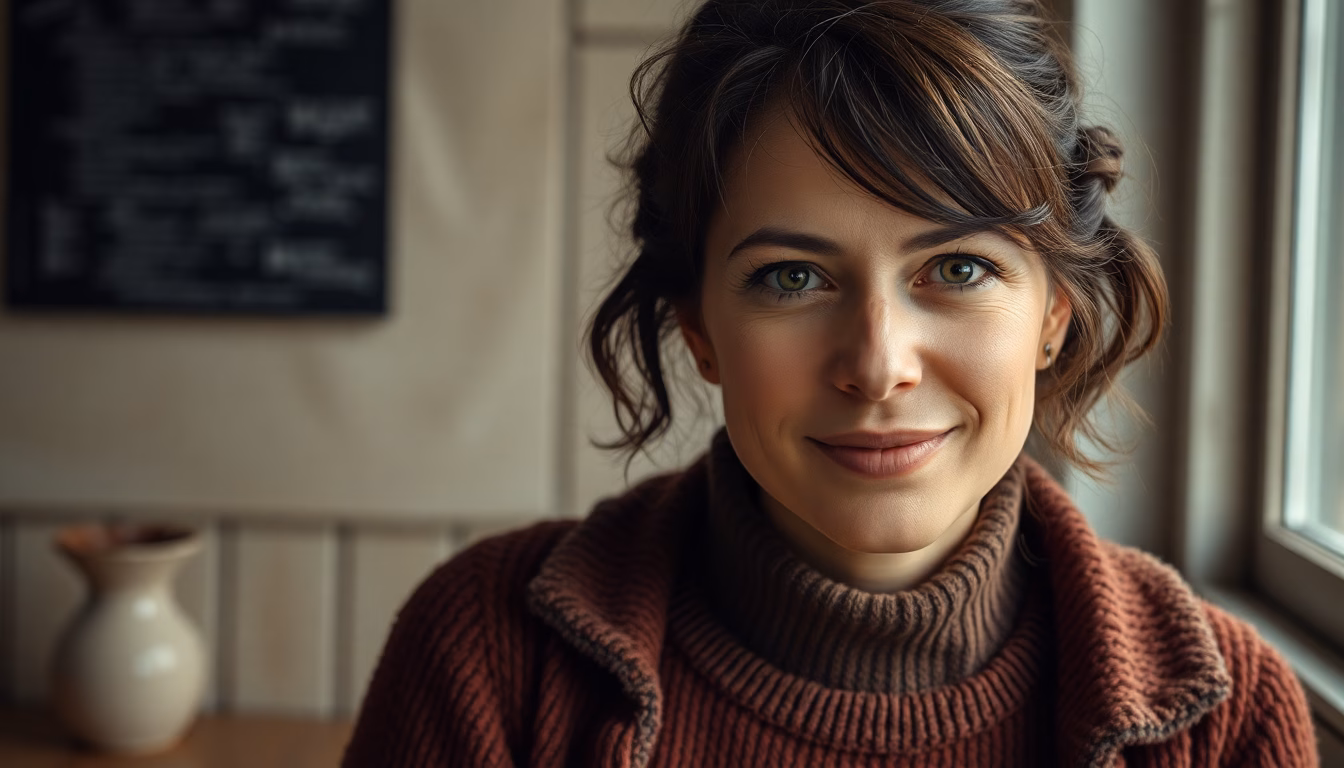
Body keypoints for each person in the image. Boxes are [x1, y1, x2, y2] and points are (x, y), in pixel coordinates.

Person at [343, 1, 1319, 765]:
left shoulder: (1226, 720)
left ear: (1053, 315)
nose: (878, 363)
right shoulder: (486, 658)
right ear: (702, 333)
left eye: (960, 269)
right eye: (793, 278)